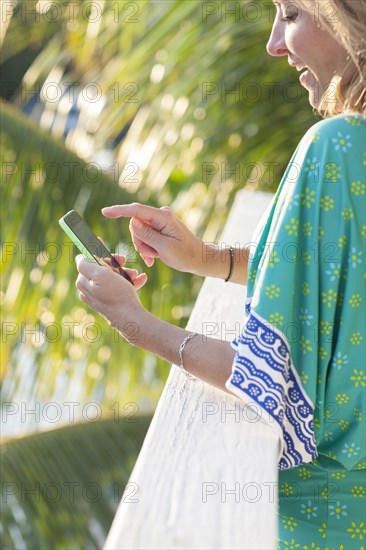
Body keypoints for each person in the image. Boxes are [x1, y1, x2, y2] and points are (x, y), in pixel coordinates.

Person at [75, 0, 365, 547]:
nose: (274, 43)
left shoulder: (339, 146)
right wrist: (206, 257)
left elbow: (267, 382)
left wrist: (133, 321)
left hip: (319, 526)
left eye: (294, 14)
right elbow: (337, 276)